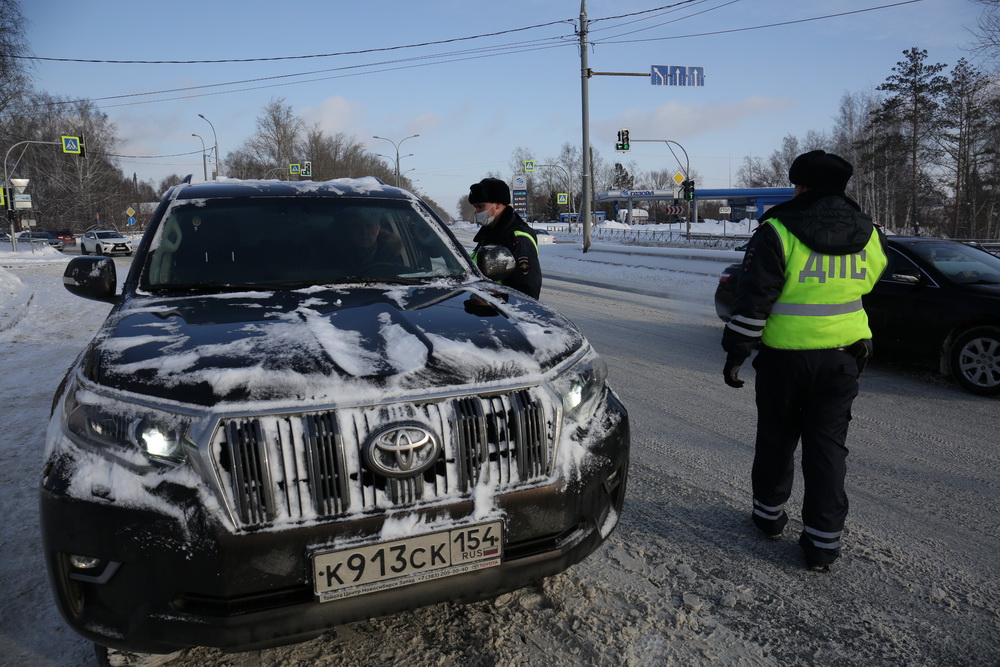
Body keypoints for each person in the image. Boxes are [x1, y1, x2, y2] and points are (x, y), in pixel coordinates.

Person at [721, 150, 889, 571]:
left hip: (784, 361)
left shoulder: (777, 230)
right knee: (827, 449)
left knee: (776, 440)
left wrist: (736, 352)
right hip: (843, 360)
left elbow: (754, 301)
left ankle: (768, 517)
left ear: (800, 185)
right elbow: (871, 282)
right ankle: (822, 545)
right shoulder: (870, 233)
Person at [468, 177, 542, 299]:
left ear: (498, 205)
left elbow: (526, 292)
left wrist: (499, 300)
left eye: (481, 206)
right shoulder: (489, 234)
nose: (476, 212)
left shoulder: (517, 238)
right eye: (475, 207)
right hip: (485, 305)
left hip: (500, 308)